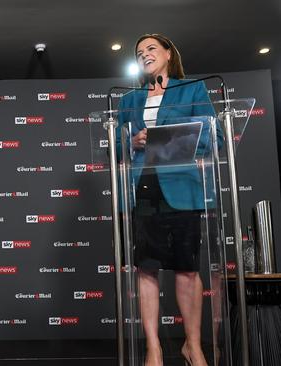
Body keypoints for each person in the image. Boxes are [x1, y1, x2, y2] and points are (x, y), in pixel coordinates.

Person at [117, 34, 223, 366]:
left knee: (187, 270)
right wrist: (131, 141)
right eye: (139, 52)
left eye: (151, 48)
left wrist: (166, 137)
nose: (145, 54)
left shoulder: (191, 89)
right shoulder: (129, 99)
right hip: (143, 187)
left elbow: (214, 136)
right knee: (146, 270)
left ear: (167, 53)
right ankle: (154, 348)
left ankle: (193, 345)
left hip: (182, 187)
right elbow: (114, 146)